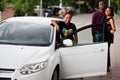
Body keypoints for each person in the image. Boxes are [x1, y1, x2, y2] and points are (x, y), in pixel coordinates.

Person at [103, 7, 116, 72]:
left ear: (111, 12)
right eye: (106, 10)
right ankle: (106, 66)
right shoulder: (105, 18)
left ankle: (107, 67)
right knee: (105, 51)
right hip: (104, 36)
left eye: (109, 11)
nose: (107, 12)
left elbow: (114, 28)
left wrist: (112, 30)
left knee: (106, 51)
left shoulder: (110, 19)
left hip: (108, 37)